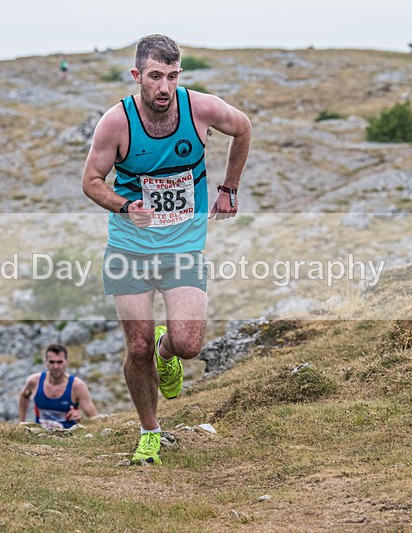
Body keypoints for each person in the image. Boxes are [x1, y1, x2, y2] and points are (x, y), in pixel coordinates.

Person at [81, 34, 251, 464]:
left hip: (183, 248)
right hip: (130, 248)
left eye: (172, 76)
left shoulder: (201, 109)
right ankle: (150, 431)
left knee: (188, 343)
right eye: (155, 76)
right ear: (138, 75)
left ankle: (166, 351)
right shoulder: (115, 123)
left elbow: (243, 128)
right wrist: (125, 205)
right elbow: (91, 181)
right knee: (135, 346)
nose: (164, 87)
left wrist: (228, 188)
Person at [19, 344, 97, 429]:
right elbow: (24, 396)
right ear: (46, 363)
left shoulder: (77, 386)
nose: (55, 367)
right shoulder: (34, 381)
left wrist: (81, 419)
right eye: (51, 362)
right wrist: (22, 423)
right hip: (40, 436)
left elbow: (94, 417)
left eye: (59, 362)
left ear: (67, 362)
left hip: (68, 438)